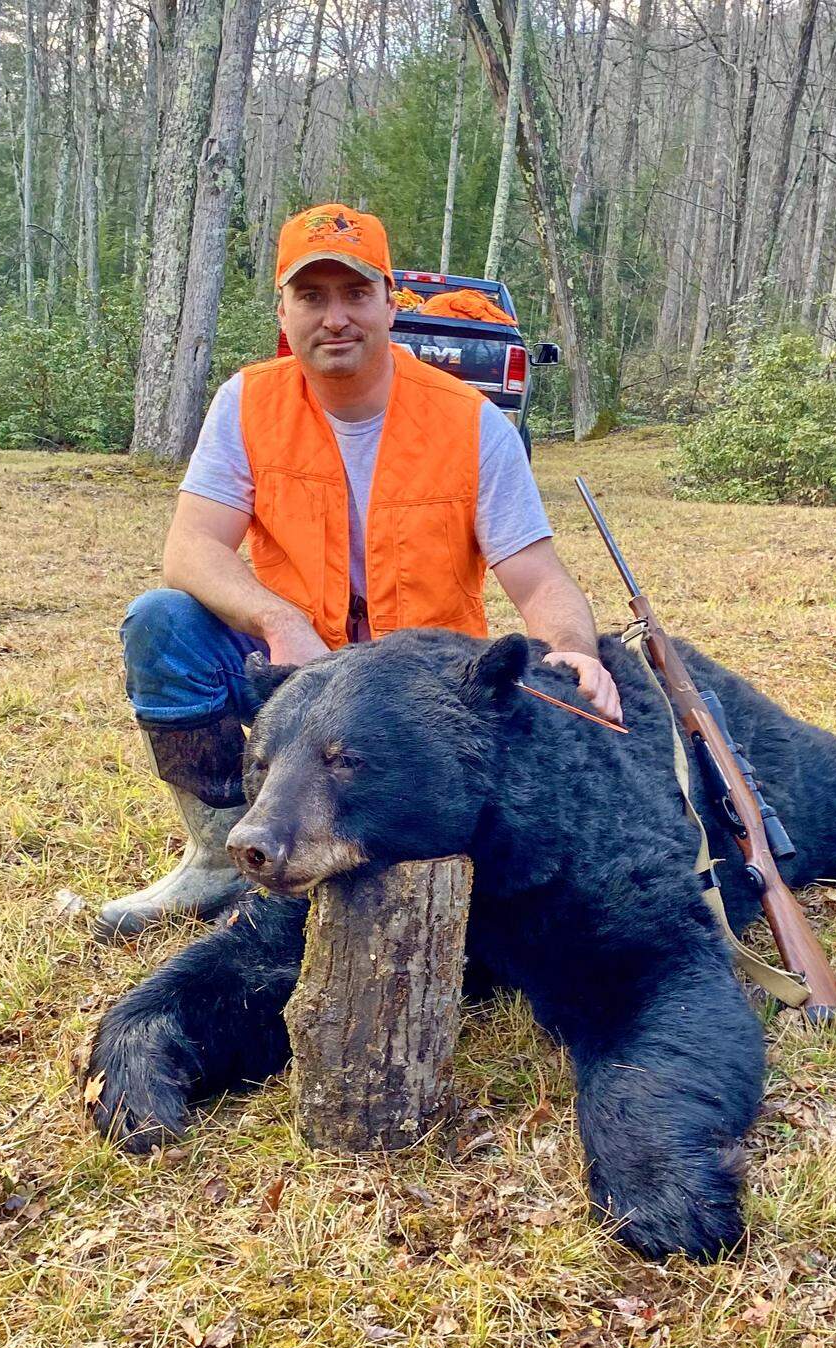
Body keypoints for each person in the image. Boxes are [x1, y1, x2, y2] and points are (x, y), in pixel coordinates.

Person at [97, 203, 622, 943]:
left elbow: (536, 578)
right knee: (163, 622)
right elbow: (191, 548)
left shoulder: (473, 424)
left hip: (416, 701)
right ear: (284, 309)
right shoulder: (248, 403)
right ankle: (220, 851)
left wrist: (574, 651)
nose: (334, 318)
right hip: (297, 672)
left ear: (389, 304)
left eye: (355, 294)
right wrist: (278, 622)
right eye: (312, 297)